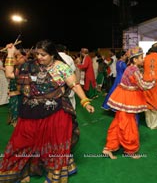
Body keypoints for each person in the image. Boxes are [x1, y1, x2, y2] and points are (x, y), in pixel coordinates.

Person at [0, 40, 95, 183]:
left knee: (55, 144)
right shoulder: (29, 66)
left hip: (55, 111)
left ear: (52, 54)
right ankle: (21, 171)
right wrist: (11, 53)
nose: (39, 57)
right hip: (31, 111)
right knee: (22, 141)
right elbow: (9, 74)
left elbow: (74, 85)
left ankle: (54, 174)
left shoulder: (61, 67)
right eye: (37, 54)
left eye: (43, 55)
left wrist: (85, 101)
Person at [102, 47, 155, 159]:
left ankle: (109, 147)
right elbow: (143, 85)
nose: (143, 59)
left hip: (124, 97)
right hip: (128, 99)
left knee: (118, 123)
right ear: (135, 60)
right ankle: (130, 150)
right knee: (128, 124)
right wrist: (154, 82)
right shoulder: (134, 70)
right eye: (141, 57)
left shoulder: (130, 68)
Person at [57, 44, 77, 109]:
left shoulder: (53, 57)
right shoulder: (69, 58)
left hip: (57, 82)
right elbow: (73, 69)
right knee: (71, 98)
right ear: (64, 50)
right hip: (69, 81)